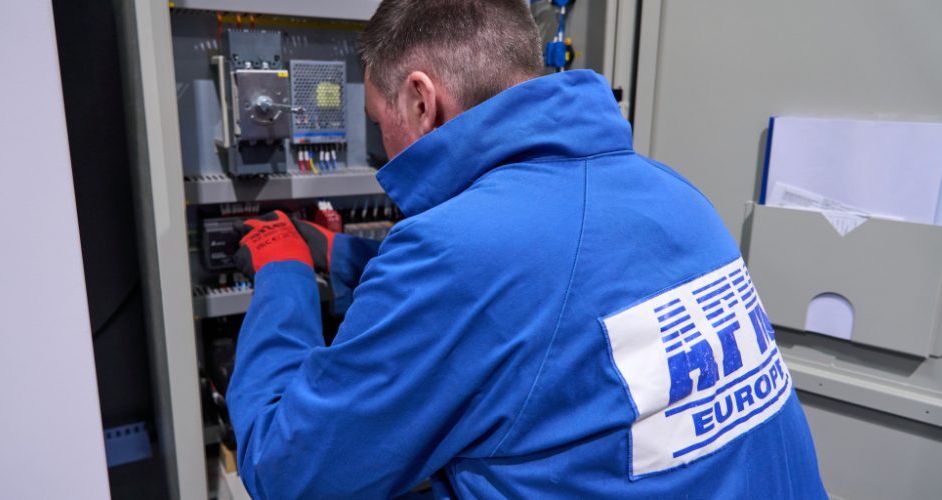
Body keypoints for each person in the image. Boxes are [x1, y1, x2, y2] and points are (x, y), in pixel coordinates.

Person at [226, 0, 827, 498]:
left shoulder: (457, 250)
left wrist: (285, 279)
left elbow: (292, 474)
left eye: (380, 120)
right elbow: (546, 307)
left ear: (419, 99)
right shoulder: (673, 195)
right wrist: (344, 259)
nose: (384, 147)